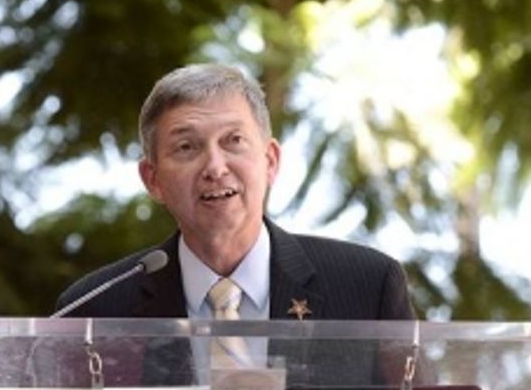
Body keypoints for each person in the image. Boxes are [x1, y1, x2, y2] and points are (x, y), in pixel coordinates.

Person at [55, 63, 417, 323]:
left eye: (234, 141)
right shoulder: (94, 310)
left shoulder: (368, 288)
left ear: (270, 160)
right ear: (153, 179)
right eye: (186, 147)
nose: (215, 167)